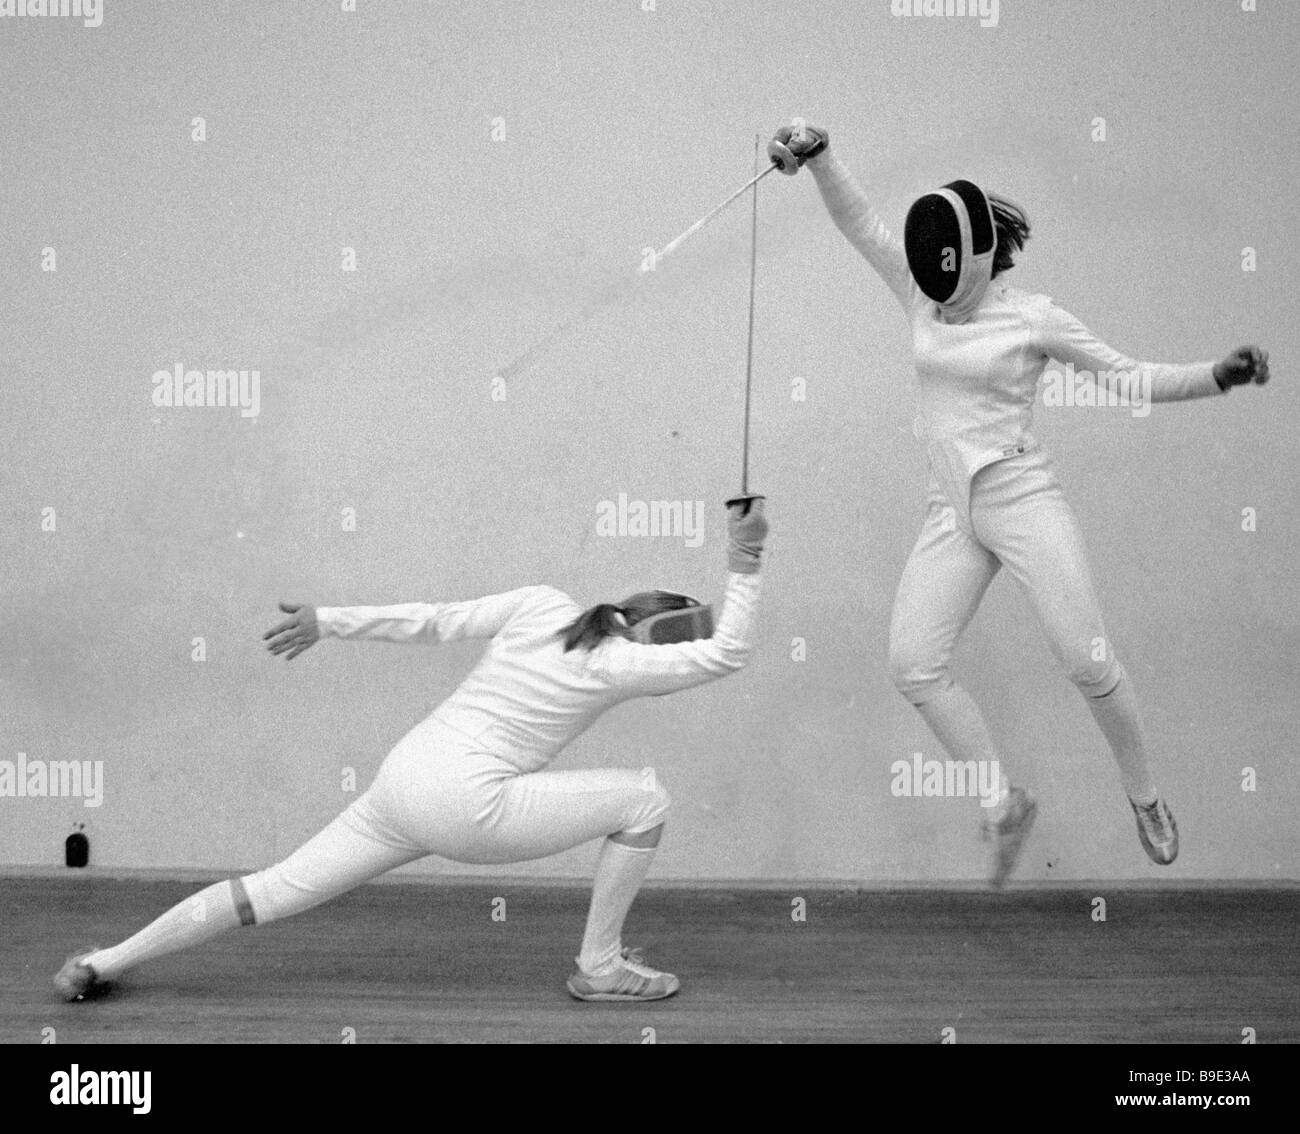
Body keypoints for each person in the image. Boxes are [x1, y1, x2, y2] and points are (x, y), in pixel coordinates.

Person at [772, 121, 1270, 885]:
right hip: (952, 511)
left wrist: (1217, 375)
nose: (926, 271)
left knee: (1086, 658)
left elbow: (1126, 377)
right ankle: (1000, 802)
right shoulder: (918, 298)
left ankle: (1145, 798)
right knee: (913, 663)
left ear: (968, 259)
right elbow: (859, 223)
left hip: (1021, 497)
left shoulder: (1034, 317)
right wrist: (819, 154)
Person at [55, 500, 769, 1002]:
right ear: (658, 638)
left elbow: (433, 621)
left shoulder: (543, 606)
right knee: (645, 799)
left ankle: (102, 961)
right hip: (468, 807)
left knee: (268, 891)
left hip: (403, 780)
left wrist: (326, 620)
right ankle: (601, 966)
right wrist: (746, 559)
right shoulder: (619, 664)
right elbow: (730, 652)